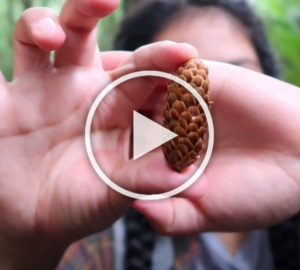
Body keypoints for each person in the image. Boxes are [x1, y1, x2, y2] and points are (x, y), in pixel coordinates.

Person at [0, 1, 299, 270]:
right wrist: (22, 250)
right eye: (173, 82)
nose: (207, 109)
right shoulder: (102, 239)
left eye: (238, 77)